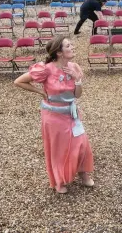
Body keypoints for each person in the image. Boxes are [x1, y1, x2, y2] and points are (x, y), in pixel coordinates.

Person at [14, 35, 94, 194]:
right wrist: (40, 92)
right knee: (59, 149)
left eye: (71, 45)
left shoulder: (74, 67)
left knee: (81, 143)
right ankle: (59, 181)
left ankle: (83, 174)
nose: (72, 47)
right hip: (53, 116)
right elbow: (19, 81)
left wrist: (77, 79)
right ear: (59, 52)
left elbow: (77, 95)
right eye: (68, 46)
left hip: (71, 112)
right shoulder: (45, 69)